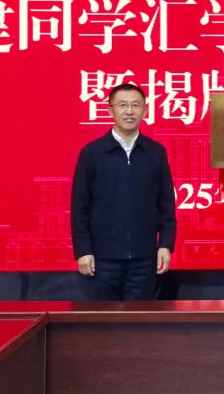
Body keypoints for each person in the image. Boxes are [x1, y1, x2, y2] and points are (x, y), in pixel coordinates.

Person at [70, 82, 177, 300]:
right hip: (101, 259)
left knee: (138, 319)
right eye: (122, 105)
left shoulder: (155, 152)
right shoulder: (92, 153)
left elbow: (166, 204)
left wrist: (166, 245)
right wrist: (83, 250)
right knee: (103, 318)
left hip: (144, 259)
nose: (129, 111)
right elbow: (80, 207)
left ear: (145, 110)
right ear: (110, 111)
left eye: (136, 105)